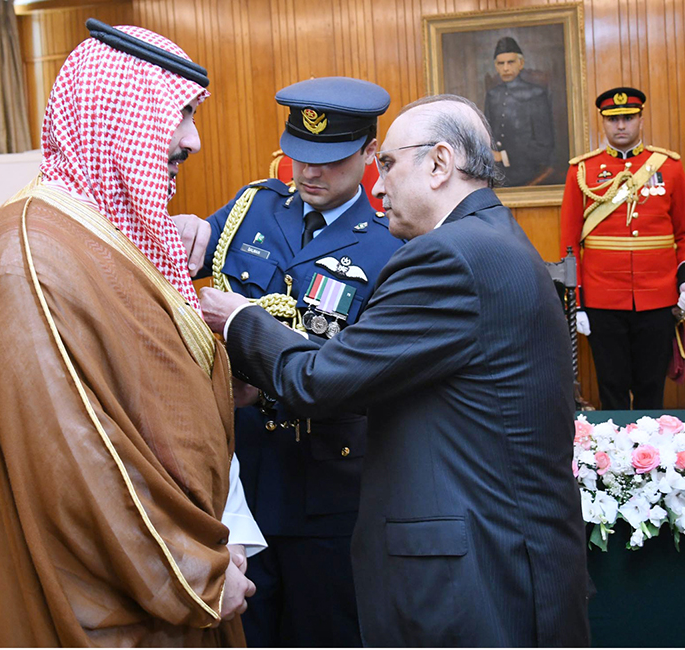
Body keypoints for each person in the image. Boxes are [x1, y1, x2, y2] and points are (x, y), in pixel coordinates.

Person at [199, 94, 591, 647]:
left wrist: (239, 317)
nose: (376, 187)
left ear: (438, 164)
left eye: (386, 166)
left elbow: (320, 380)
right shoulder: (491, 240)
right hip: (502, 552)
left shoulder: (449, 258)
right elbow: (407, 389)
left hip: (474, 572)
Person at [0, 20, 261, 647]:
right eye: (182, 115)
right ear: (119, 117)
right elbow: (76, 457)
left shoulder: (91, 236)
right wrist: (194, 573)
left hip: (160, 568)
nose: (193, 141)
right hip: (116, 595)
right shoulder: (30, 257)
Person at [174, 76, 403, 647]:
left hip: (325, 484)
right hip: (238, 476)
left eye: (329, 160)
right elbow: (194, 257)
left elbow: (369, 374)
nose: (309, 173)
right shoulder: (255, 207)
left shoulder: (390, 246)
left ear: (370, 155)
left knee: (325, 627)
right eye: (299, 156)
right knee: (245, 633)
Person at [560, 86, 685, 410]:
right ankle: (613, 458)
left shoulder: (669, 168)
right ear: (603, 122)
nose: (620, 126)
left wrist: (684, 281)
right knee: (611, 386)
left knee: (651, 386)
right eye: (613, 119)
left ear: (641, 119)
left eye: (628, 118)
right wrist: (578, 301)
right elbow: (570, 243)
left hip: (658, 297)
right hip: (603, 299)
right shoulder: (582, 171)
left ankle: (654, 458)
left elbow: (683, 234)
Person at [484, 36, 555, 186]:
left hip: (527, 172)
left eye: (510, 62)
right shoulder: (492, 95)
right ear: (495, 66)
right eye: (500, 63)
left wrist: (504, 156)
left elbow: (544, 144)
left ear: (521, 63)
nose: (505, 68)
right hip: (496, 174)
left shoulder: (536, 94)